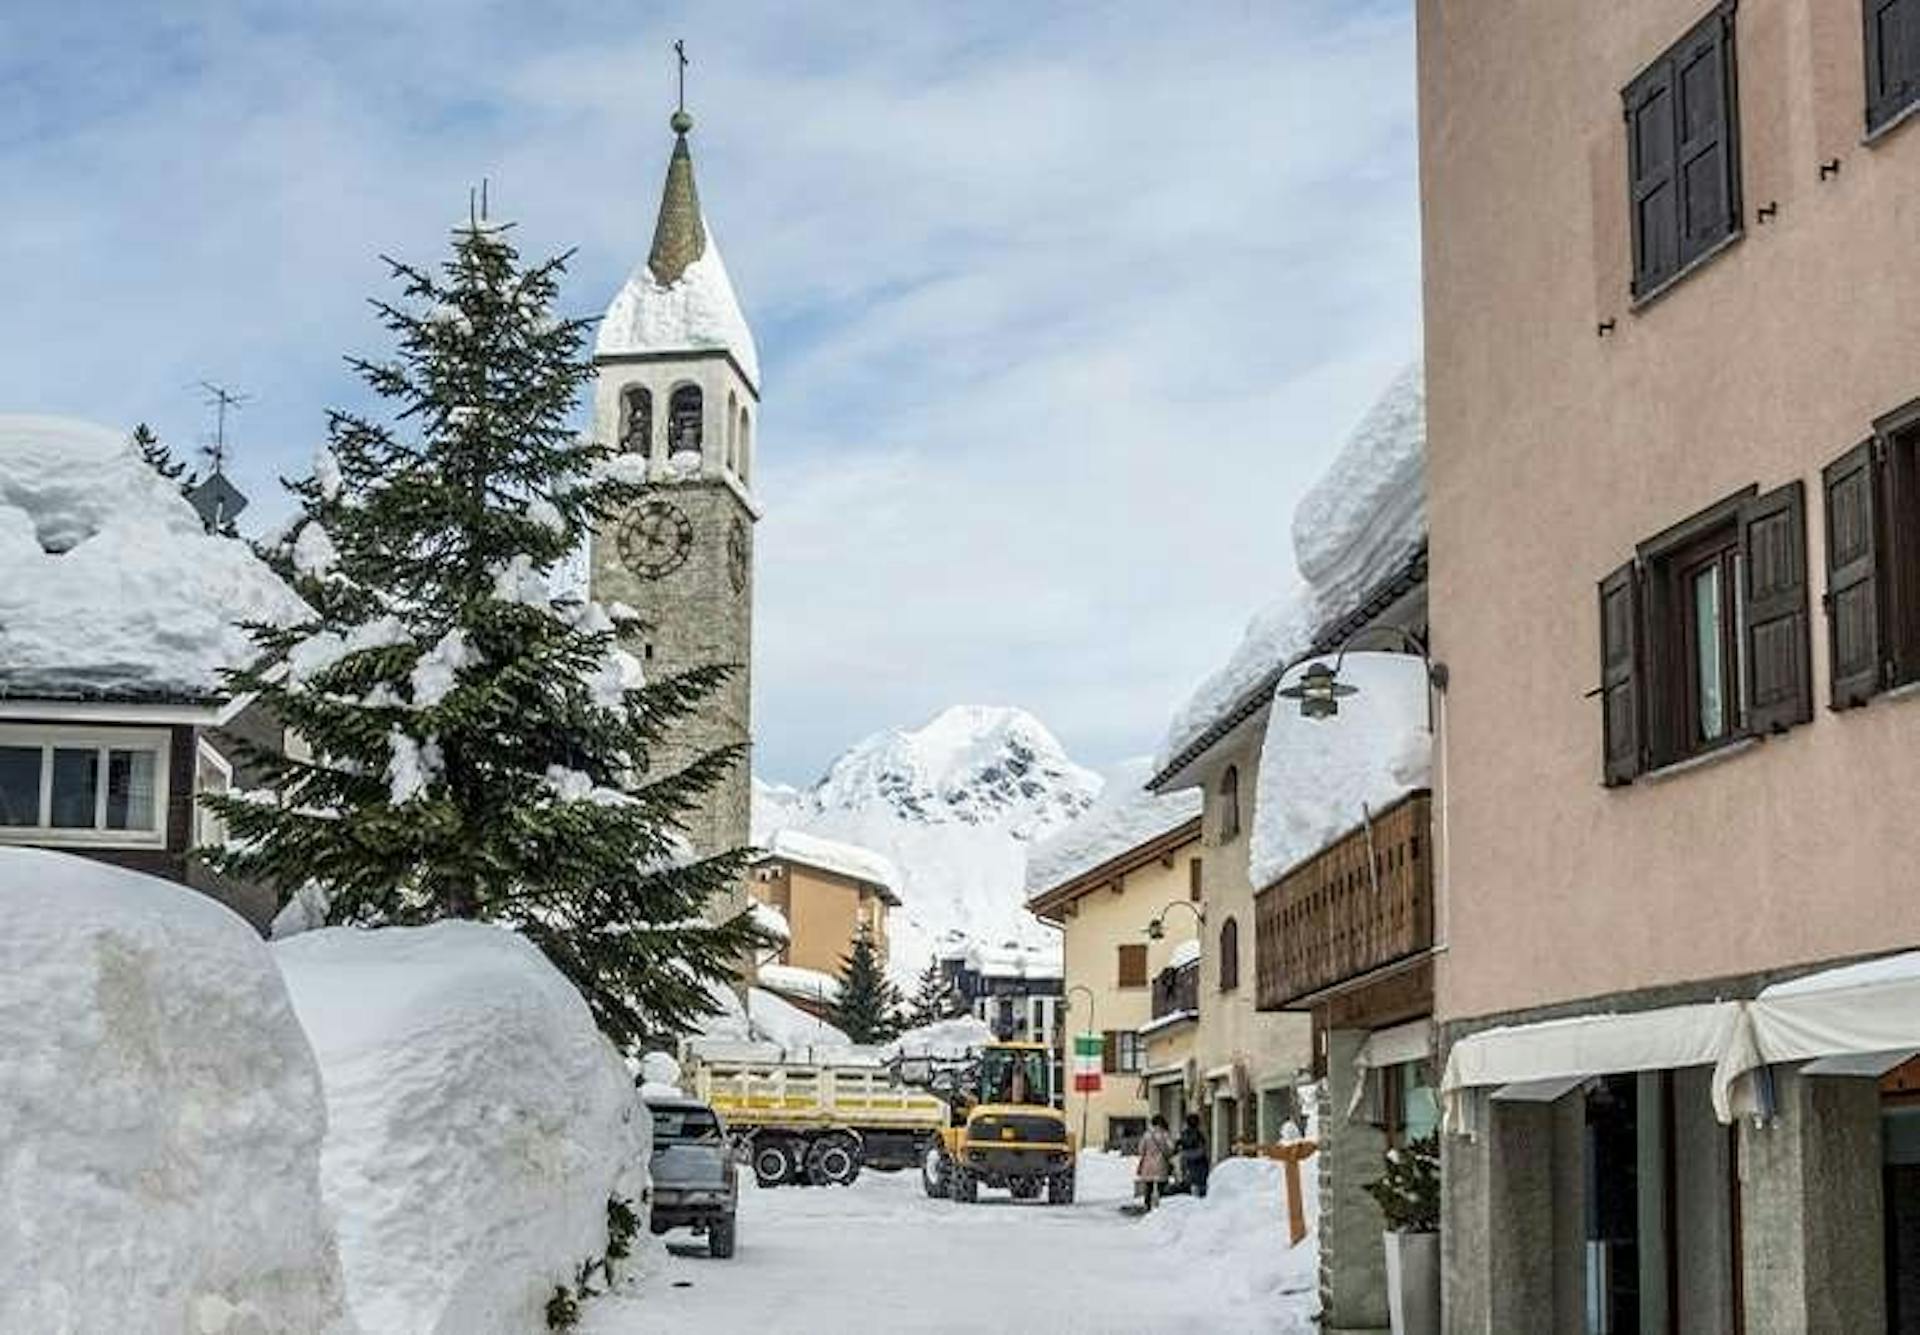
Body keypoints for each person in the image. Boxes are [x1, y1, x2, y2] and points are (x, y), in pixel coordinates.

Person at [1136, 1114, 1176, 1211]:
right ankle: (1162, 1207)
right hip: (1161, 1164)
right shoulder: (1165, 1134)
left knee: (1148, 1187)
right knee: (1161, 1187)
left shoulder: (1147, 1135)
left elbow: (1141, 1149)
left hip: (1148, 1165)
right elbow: (1171, 1148)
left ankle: (1147, 1205)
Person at [1177, 1112, 1210, 1199]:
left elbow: (1178, 1148)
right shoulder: (1200, 1134)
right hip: (1200, 1163)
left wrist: (1184, 1156)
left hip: (1188, 1163)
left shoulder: (1183, 1134)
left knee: (1189, 1185)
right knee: (1200, 1186)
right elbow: (1203, 1149)